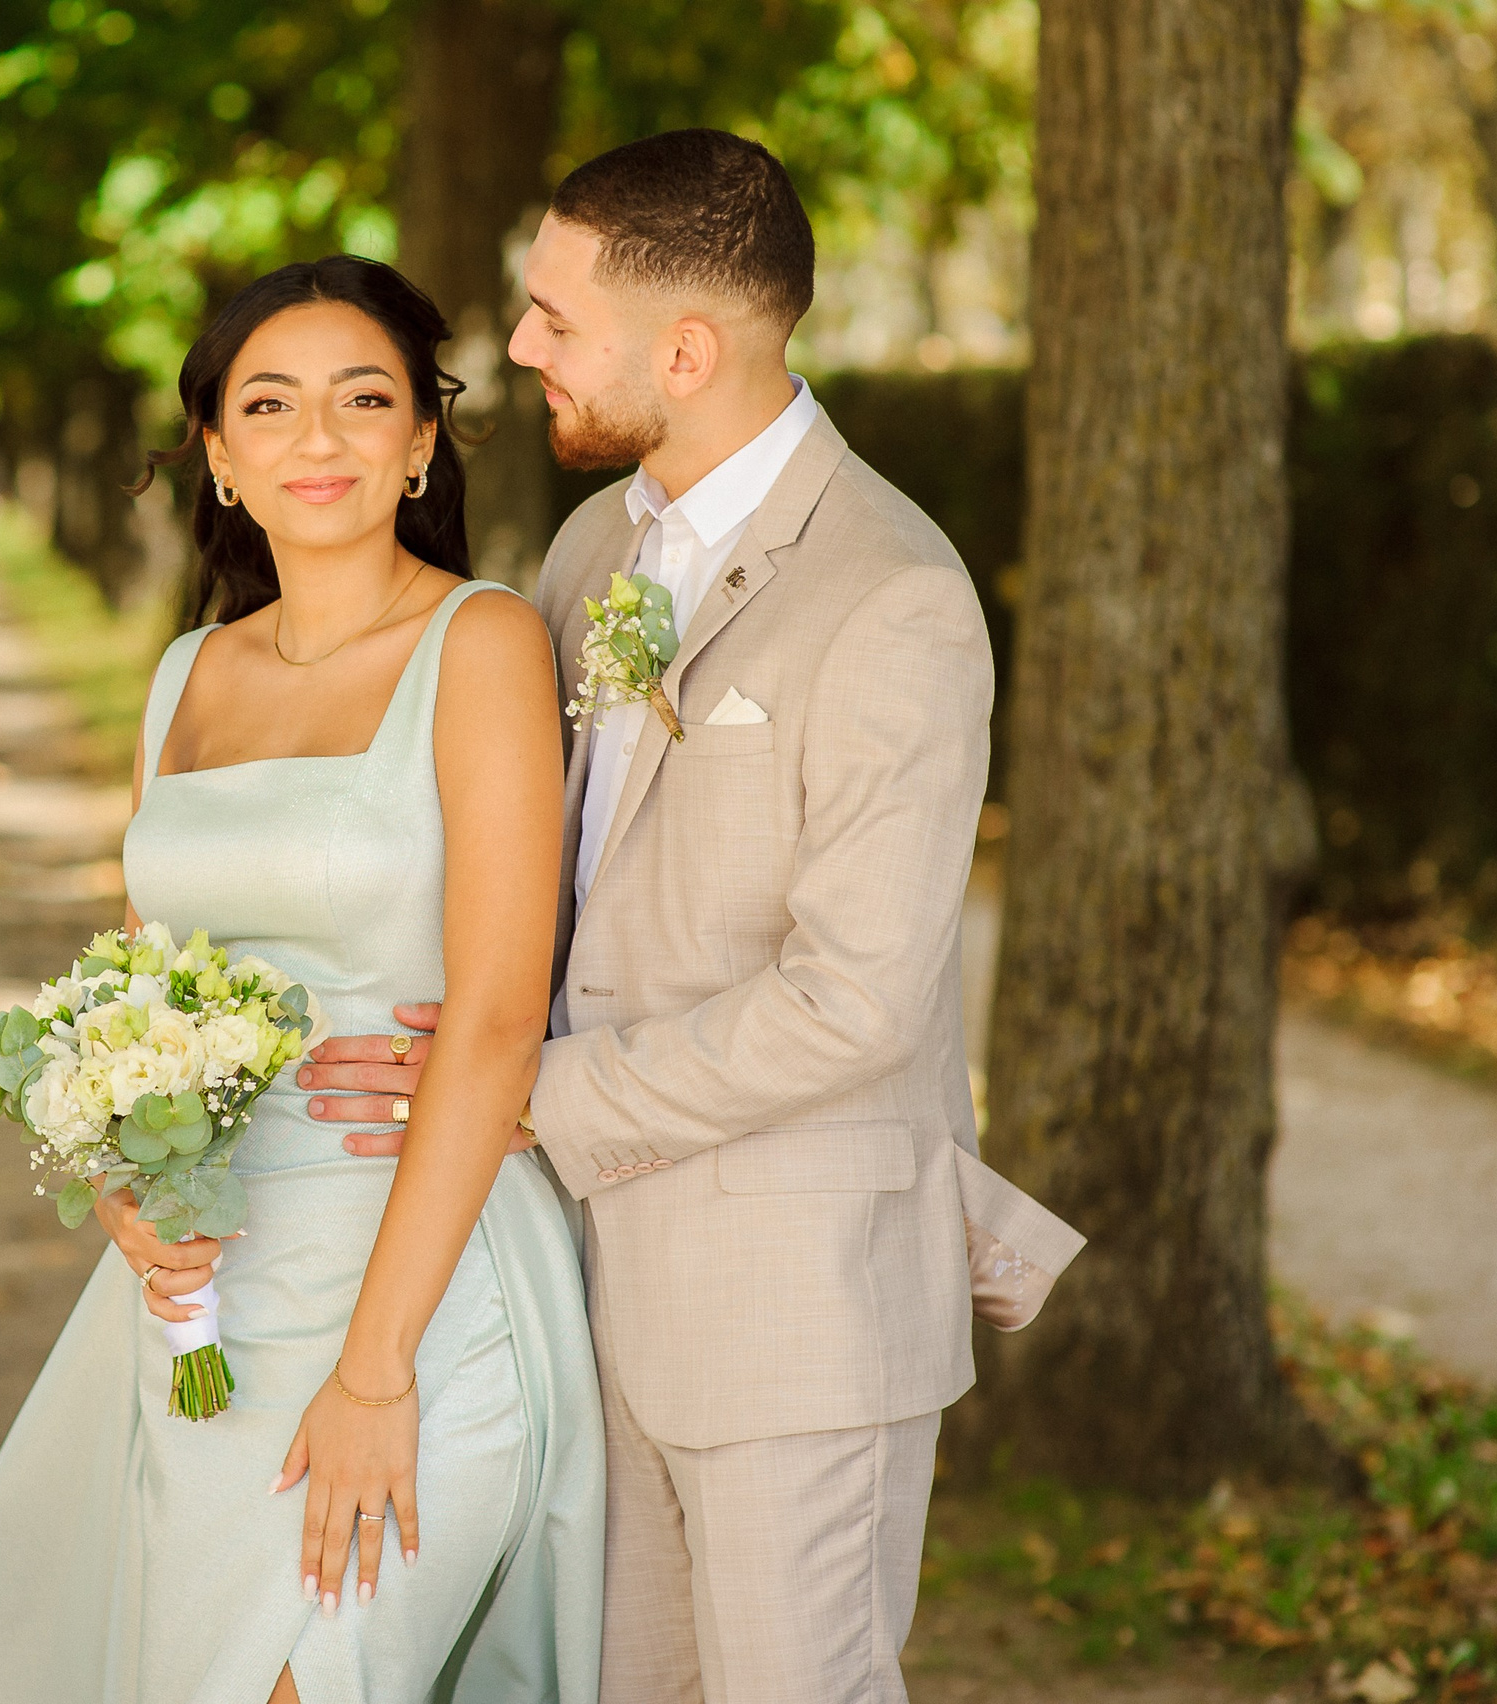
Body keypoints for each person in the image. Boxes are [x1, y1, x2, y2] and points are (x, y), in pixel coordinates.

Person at [300, 130, 1003, 1703]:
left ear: (685, 352)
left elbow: (854, 1003)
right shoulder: (591, 546)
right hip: (578, 1284)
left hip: (793, 1308)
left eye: (555, 318)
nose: (518, 347)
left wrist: (522, 1093)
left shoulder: (892, 593)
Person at [0, 255, 605, 1704]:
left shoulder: (482, 644)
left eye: (363, 400)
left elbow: (496, 1018)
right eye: (268, 405)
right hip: (208, 1300)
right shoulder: (187, 678)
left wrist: (377, 1371)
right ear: (217, 453)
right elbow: (137, 998)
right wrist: (121, 1189)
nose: (315, 438)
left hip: (420, 1277)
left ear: (420, 442)